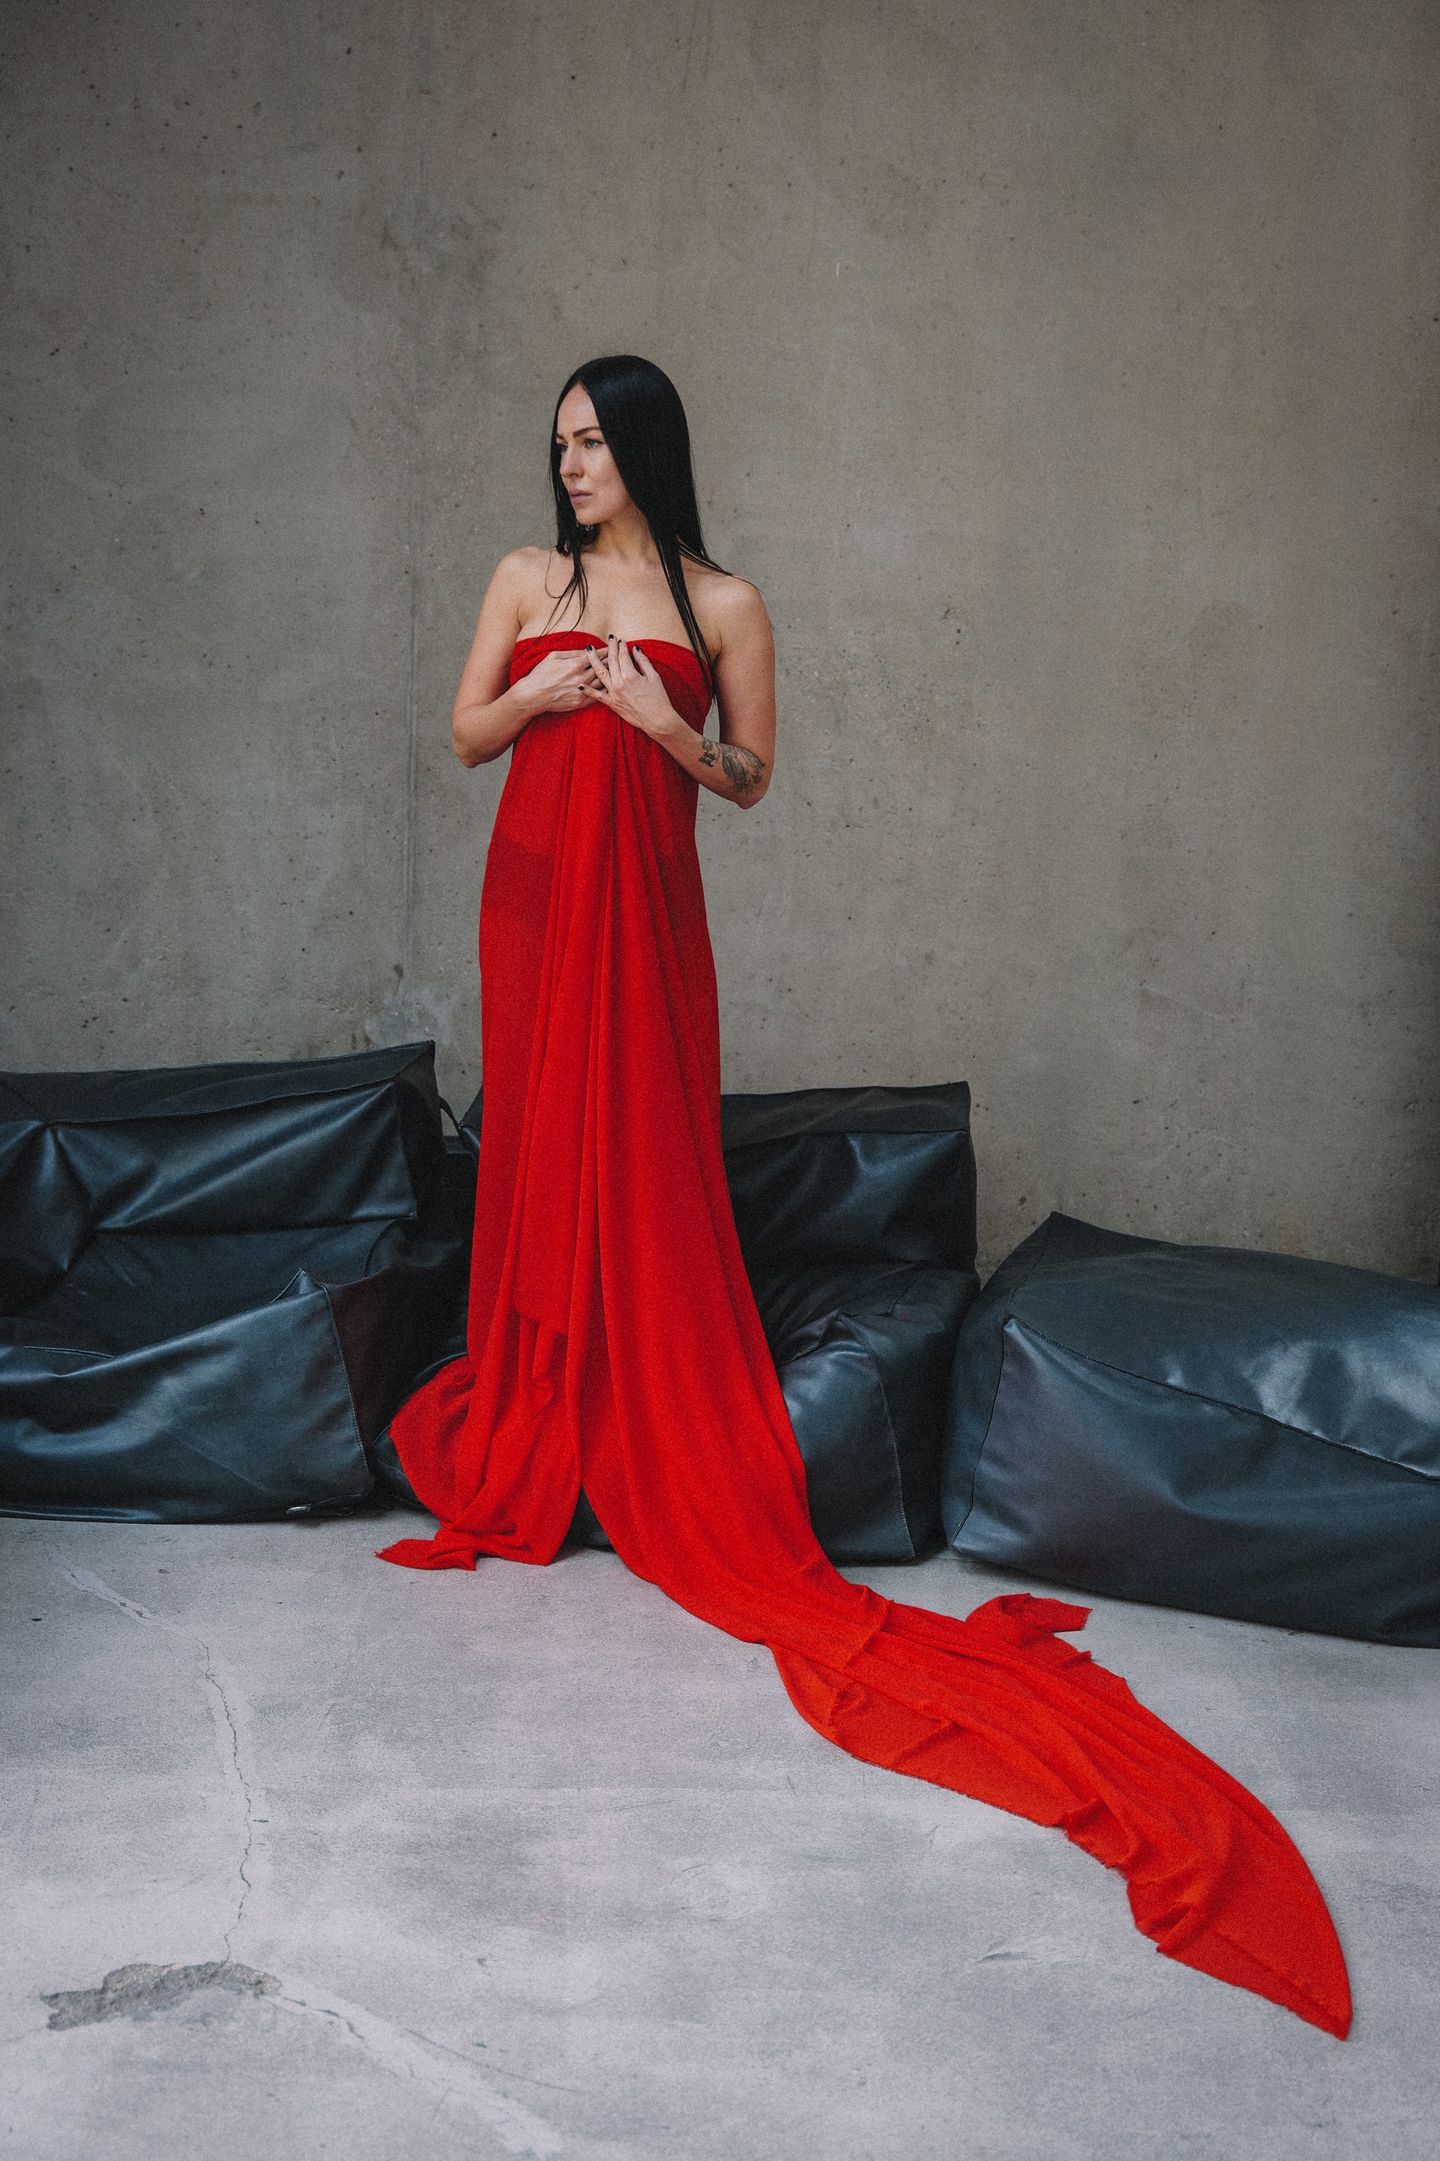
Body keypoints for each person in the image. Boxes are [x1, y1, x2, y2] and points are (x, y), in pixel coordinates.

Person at [376, 354, 1351, 2038]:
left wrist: (661, 722)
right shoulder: (524, 578)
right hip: (533, 900)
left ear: (649, 447)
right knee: (537, 1140)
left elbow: (754, 776)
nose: (572, 466)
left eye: (594, 442)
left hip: (651, 916)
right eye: (561, 444)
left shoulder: (731, 603)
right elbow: (462, 734)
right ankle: (539, 1392)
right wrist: (549, 697)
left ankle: (638, 1390)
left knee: (645, 1144)